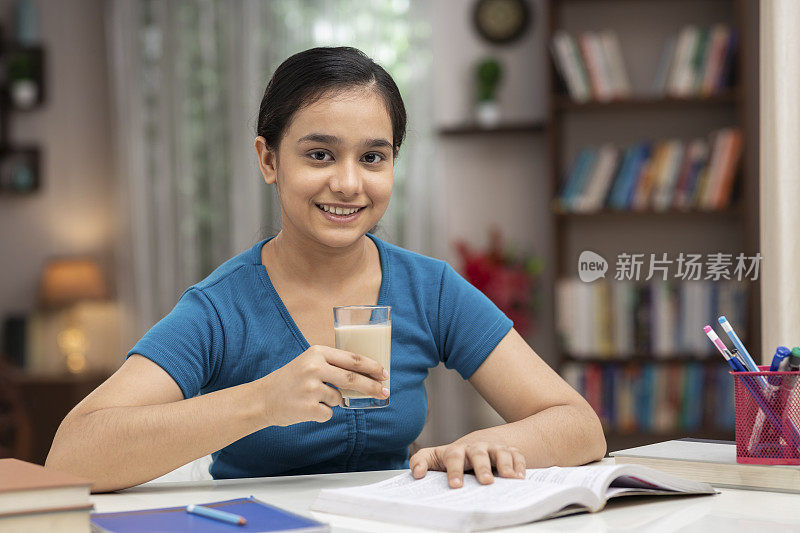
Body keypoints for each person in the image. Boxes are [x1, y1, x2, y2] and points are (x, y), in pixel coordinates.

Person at [46, 47, 605, 493]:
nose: (348, 183)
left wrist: (489, 444)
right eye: (319, 154)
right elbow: (73, 455)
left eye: (373, 157)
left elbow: (577, 424)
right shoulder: (221, 308)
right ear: (268, 160)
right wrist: (264, 400)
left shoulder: (429, 289)